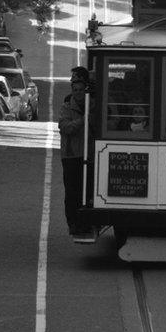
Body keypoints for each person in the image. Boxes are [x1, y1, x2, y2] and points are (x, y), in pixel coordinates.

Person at [59, 68, 91, 235]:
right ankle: (73, 224)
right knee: (72, 192)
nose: (78, 93)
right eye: (75, 90)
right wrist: (83, 120)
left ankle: (85, 223)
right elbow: (66, 127)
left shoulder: (91, 103)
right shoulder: (66, 106)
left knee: (85, 191)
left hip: (88, 154)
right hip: (71, 155)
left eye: (80, 89)